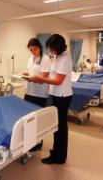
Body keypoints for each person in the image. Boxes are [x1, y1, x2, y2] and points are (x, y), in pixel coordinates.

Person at [28, 34, 73, 164]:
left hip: (63, 96)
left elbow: (58, 81)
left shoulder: (65, 58)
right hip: (56, 95)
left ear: (58, 47)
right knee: (57, 125)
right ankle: (56, 152)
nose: (49, 51)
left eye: (51, 48)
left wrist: (40, 78)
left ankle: (59, 157)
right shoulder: (58, 56)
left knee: (60, 127)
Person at [23, 38, 51, 151]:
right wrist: (26, 74)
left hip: (40, 94)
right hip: (29, 92)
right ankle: (29, 141)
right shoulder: (31, 58)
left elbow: (43, 78)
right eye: (30, 50)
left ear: (39, 47)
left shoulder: (46, 59)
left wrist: (32, 78)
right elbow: (30, 72)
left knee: (38, 119)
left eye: (34, 49)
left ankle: (38, 143)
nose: (33, 52)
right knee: (28, 118)